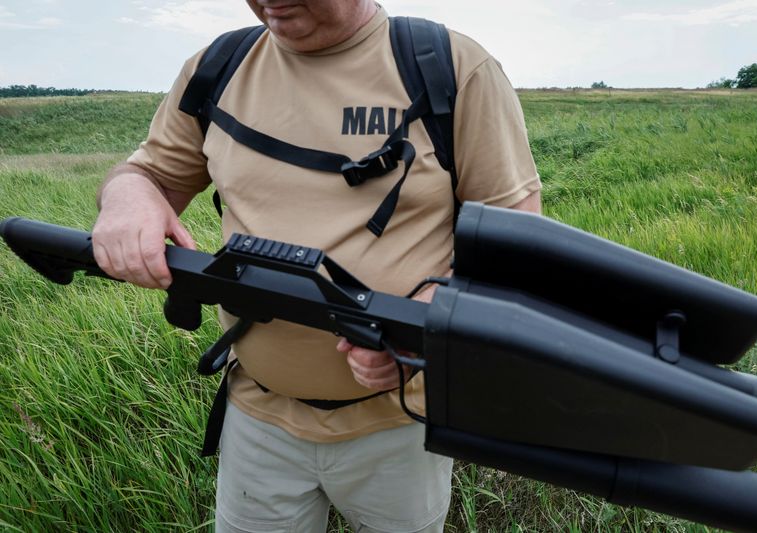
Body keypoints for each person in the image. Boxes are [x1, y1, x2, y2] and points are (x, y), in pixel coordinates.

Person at [92, 1, 541, 531]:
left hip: (399, 424)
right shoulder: (219, 66)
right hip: (256, 417)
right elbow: (151, 173)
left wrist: (424, 326)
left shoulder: (451, 67)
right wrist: (127, 196)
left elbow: (517, 241)